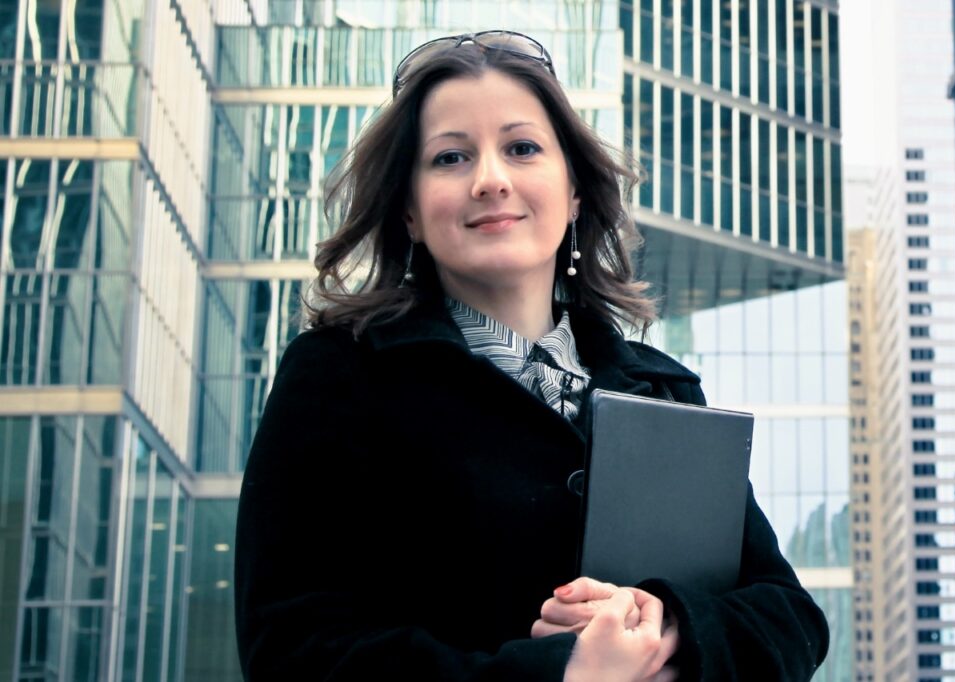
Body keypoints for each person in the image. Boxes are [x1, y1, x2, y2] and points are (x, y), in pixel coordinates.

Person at [234, 31, 830, 681]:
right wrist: (564, 675)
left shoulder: (662, 389)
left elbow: (790, 618)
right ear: (408, 210)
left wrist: (666, 627)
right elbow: (290, 648)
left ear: (574, 192)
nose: (490, 180)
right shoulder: (340, 375)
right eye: (450, 158)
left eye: (521, 148)